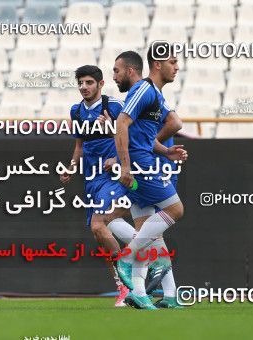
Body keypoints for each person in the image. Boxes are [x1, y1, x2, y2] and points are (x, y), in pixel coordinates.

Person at [113, 46, 187, 309]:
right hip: (139, 164)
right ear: (157, 64)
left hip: (145, 159)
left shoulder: (155, 94)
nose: (177, 67)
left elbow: (145, 135)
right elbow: (121, 123)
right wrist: (125, 166)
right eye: (173, 61)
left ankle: (144, 293)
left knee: (150, 233)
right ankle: (126, 258)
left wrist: (166, 151)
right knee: (175, 210)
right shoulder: (144, 89)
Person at [60, 65, 137, 307]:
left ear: (100, 84)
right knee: (99, 234)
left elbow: (131, 136)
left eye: (89, 83)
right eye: (81, 83)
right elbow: (80, 146)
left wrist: (118, 157)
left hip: (112, 175)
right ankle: (128, 277)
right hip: (91, 178)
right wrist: (71, 168)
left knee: (98, 223)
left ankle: (128, 283)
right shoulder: (76, 111)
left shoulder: (113, 106)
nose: (84, 87)